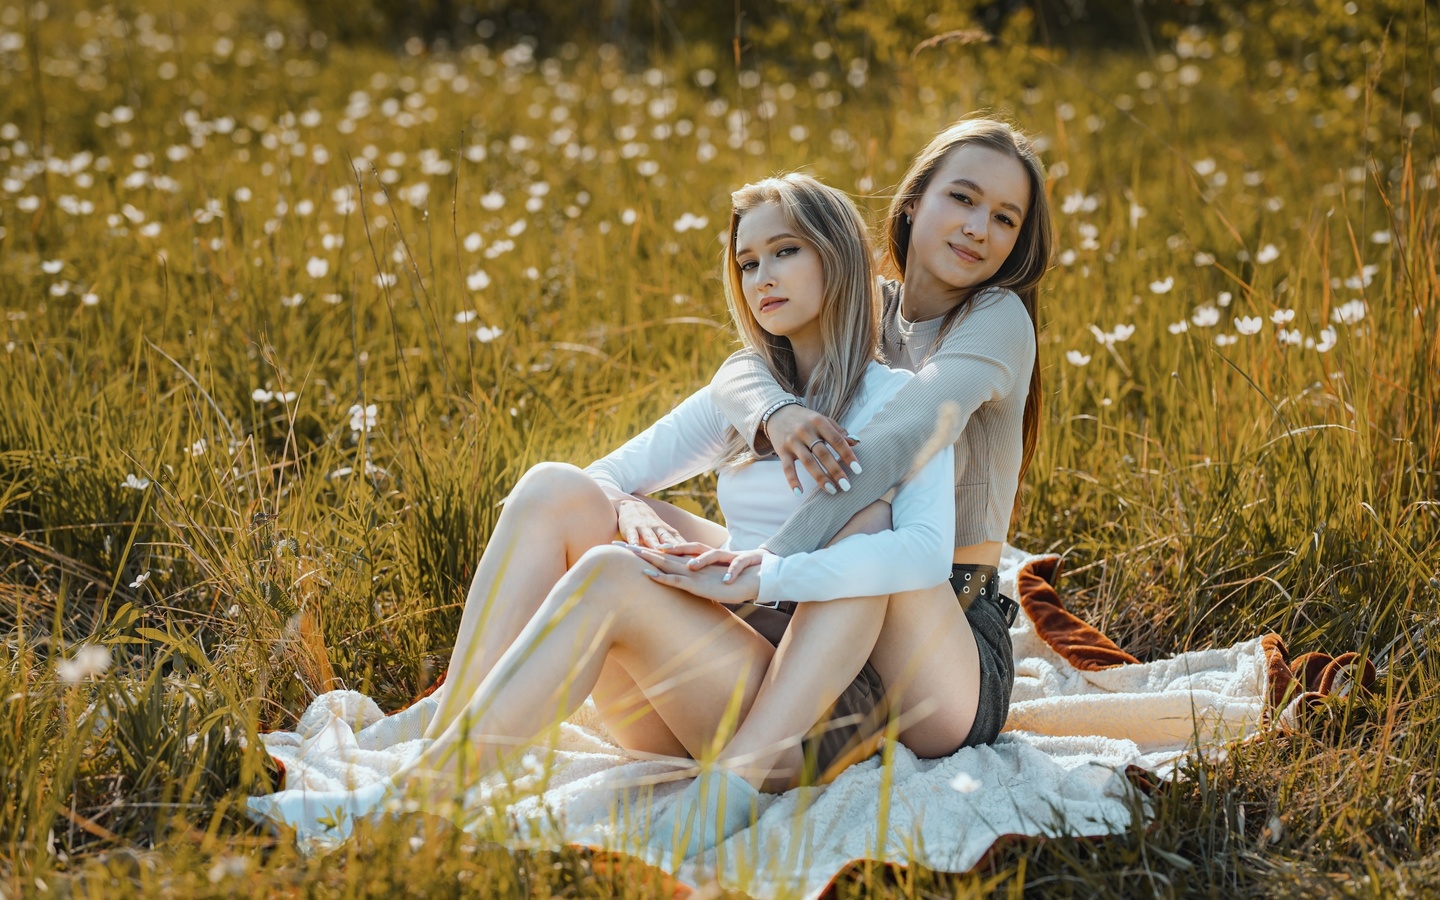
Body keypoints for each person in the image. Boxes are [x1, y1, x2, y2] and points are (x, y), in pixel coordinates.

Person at [364, 173, 957, 853]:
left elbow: (922, 553)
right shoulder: (747, 396)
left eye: (785, 251)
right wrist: (627, 508)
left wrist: (764, 576)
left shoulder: (899, 400)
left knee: (616, 574)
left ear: (839, 256)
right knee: (553, 485)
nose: (762, 275)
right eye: (748, 261)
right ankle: (447, 732)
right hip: (699, 689)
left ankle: (406, 808)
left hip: (802, 715)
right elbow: (600, 477)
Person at [660, 115, 1053, 768]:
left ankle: (736, 780)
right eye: (962, 198)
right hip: (828, 595)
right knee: (639, 534)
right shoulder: (866, 308)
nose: (979, 229)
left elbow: (904, 436)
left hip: (945, 630)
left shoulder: (997, 319)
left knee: (874, 529)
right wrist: (777, 412)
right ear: (912, 203)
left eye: (1005, 218)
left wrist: (766, 570)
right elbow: (743, 366)